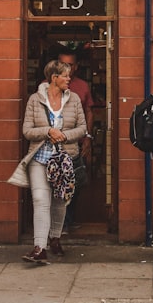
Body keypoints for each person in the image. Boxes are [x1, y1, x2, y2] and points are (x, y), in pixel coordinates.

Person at [21, 59, 87, 264]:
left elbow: (82, 128)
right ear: (54, 78)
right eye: (65, 75)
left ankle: (55, 238)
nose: (69, 78)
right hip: (40, 158)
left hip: (64, 159)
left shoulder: (74, 99)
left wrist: (64, 136)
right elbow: (27, 131)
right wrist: (47, 131)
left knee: (60, 201)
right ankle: (39, 248)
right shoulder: (35, 99)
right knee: (40, 200)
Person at [58, 48, 94, 230]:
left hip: (75, 144)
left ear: (76, 67)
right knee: (55, 184)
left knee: (75, 182)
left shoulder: (82, 86)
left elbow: (89, 111)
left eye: (70, 65)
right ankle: (59, 223)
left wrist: (87, 137)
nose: (66, 68)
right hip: (54, 146)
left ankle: (68, 219)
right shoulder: (45, 86)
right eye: (63, 64)